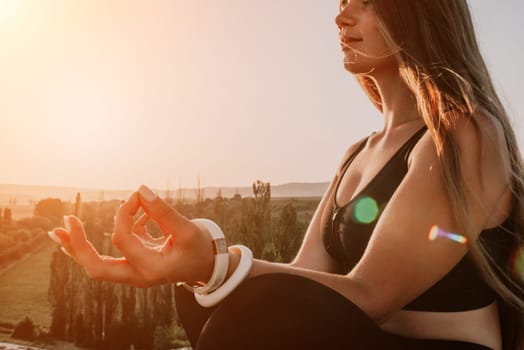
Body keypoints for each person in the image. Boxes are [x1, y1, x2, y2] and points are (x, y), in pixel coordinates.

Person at [48, 0, 524, 349]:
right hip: (365, 342)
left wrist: (214, 262)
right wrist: (192, 266)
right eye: (342, 3)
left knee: (253, 310)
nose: (341, 16)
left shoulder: (466, 134)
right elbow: (307, 279)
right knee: (204, 298)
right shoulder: (359, 152)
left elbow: (370, 295)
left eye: (366, 3)